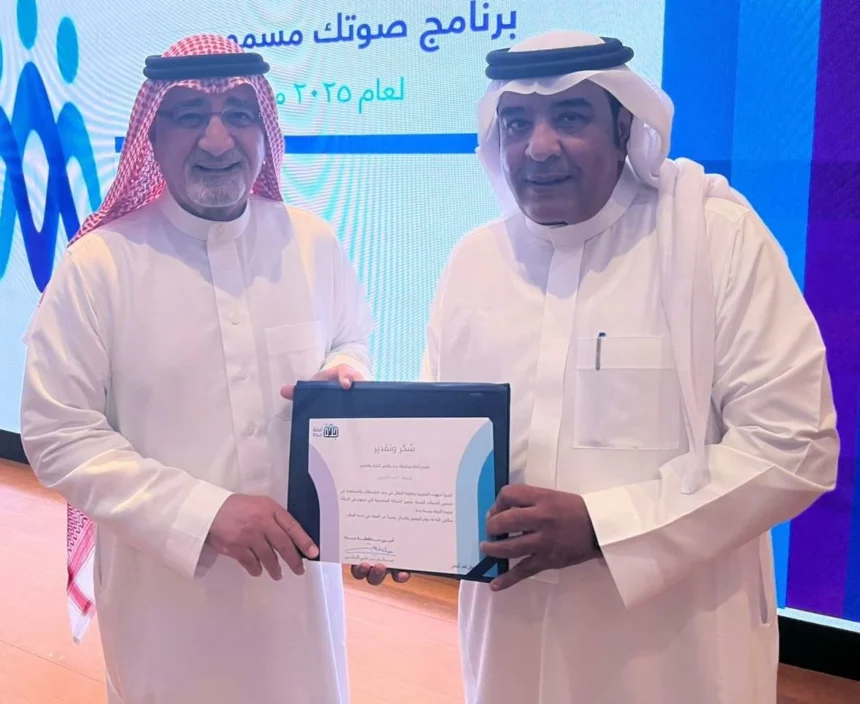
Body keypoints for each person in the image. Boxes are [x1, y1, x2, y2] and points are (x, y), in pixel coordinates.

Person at [421, 30, 839, 703]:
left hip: (673, 655)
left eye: (570, 117)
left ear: (624, 127)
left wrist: (601, 528)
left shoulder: (713, 239)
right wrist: (395, 524)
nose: (539, 146)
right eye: (517, 122)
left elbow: (797, 446)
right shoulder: (474, 262)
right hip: (509, 648)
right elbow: (444, 441)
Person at [20, 34, 403, 704]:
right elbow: (58, 434)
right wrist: (205, 514)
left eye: (239, 114)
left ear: (264, 130)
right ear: (152, 134)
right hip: (166, 599)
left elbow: (351, 341)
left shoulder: (311, 241)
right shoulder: (99, 265)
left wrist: (344, 374)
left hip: (298, 602)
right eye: (191, 114)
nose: (218, 138)